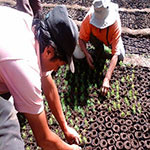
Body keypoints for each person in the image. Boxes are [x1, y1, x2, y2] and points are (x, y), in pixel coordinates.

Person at [0, 5, 81, 150]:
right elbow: (44, 140)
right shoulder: (24, 66)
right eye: (60, 65)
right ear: (49, 51)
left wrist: (65, 127)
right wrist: (72, 149)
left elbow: (48, 85)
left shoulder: (34, 32)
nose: (57, 69)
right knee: (10, 140)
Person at [78, 0, 125, 96]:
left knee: (120, 57)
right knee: (82, 53)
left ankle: (104, 50)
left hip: (110, 38)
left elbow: (115, 53)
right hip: (96, 38)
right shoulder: (89, 18)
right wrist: (86, 54)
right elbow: (81, 39)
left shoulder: (115, 23)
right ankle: (99, 49)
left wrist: (107, 78)